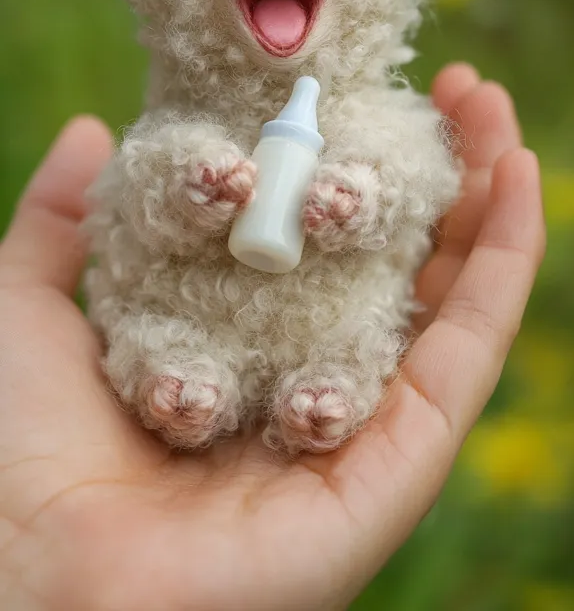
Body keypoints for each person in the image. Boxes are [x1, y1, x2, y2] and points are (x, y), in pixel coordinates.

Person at [0, 64, 545, 611]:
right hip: (192, 318)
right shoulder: (182, 117)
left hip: (327, 324)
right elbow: (147, 182)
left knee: (356, 339)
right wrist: (193, 183)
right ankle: (182, 376)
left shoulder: (382, 121)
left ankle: (327, 385)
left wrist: (361, 197)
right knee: (157, 336)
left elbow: (408, 172)